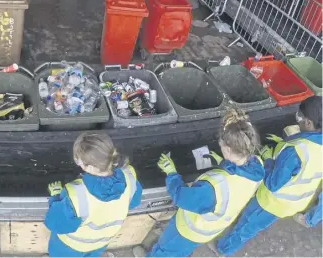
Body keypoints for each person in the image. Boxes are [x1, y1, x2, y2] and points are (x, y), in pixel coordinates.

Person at [148, 108, 263, 257]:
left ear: (227, 149)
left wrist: (171, 173)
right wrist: (224, 163)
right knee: (181, 250)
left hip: (189, 231)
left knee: (167, 251)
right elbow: (238, 181)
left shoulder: (215, 187)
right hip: (211, 229)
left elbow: (181, 197)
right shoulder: (257, 165)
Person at [216, 96, 322, 256]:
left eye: (299, 117)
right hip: (297, 201)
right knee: (252, 222)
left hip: (273, 202)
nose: (297, 121)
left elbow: (273, 183)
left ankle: (223, 249)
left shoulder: (296, 151)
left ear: (308, 122)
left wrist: (268, 160)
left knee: (247, 225)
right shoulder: (308, 146)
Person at [44, 132, 142, 257]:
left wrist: (56, 196)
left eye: (78, 160)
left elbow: (57, 224)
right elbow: (133, 202)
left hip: (71, 247)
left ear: (89, 167)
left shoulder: (76, 193)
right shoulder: (129, 176)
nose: (77, 162)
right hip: (101, 243)